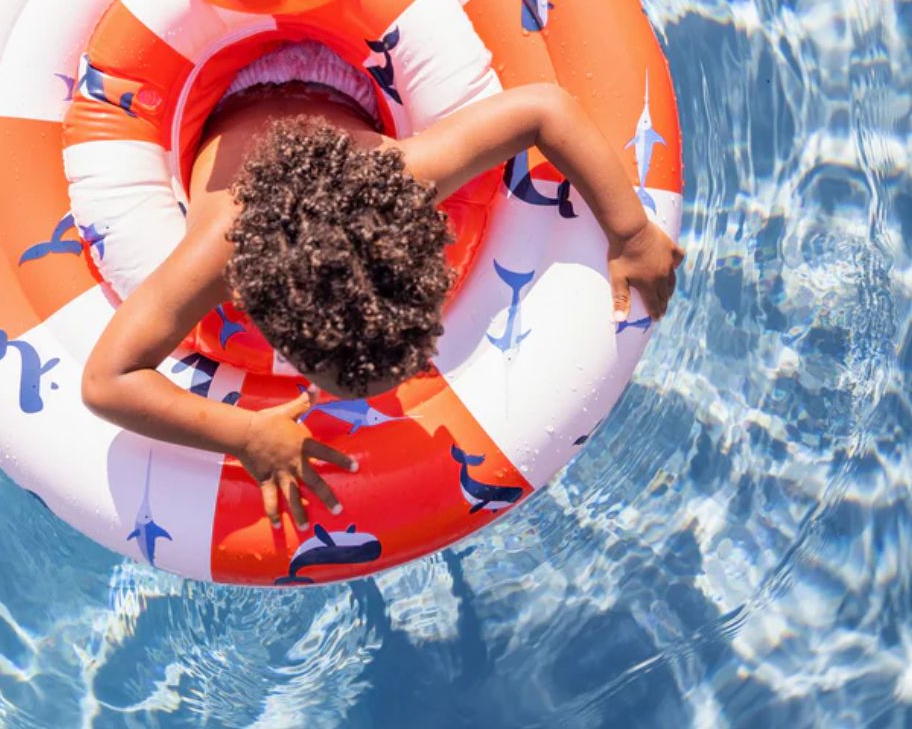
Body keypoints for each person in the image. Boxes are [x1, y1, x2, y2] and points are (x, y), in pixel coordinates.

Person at [81, 37, 685, 531]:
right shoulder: (220, 250)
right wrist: (243, 433)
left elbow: (546, 109)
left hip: (333, 72)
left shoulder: (398, 177)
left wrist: (632, 234)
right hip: (221, 91)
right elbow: (104, 383)